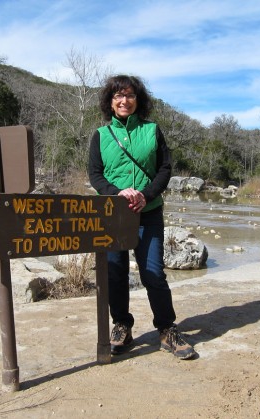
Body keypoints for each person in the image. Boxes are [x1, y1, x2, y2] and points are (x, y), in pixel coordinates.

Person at [88, 74, 197, 360]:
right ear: (110, 103)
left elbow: (165, 169)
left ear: (138, 100)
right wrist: (117, 193)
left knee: (153, 273)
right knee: (114, 274)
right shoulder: (100, 135)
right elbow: (95, 175)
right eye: (118, 96)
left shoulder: (152, 130)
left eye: (130, 95)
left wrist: (145, 195)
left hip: (148, 213)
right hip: (112, 215)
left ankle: (166, 329)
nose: (124, 101)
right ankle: (122, 326)